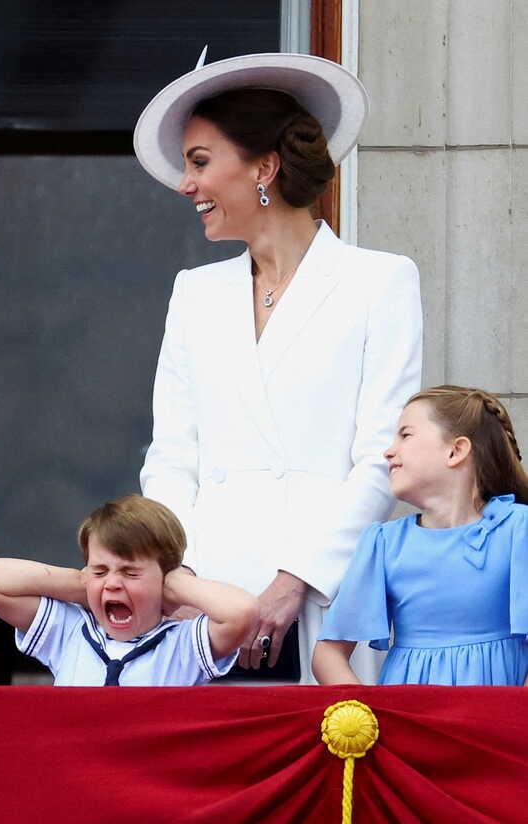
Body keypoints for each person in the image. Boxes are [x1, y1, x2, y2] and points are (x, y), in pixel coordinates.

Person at [132, 52, 423, 683]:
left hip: (324, 597)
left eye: (201, 162)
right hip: (205, 605)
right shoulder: (194, 292)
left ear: (264, 166)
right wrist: (180, 579)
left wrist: (297, 580)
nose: (187, 185)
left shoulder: (380, 282)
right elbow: (172, 456)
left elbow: (381, 455)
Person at [313, 386, 528, 686]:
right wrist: (369, 720)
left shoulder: (518, 530)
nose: (389, 451)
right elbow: (328, 654)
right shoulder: (385, 543)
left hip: (494, 723)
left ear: (455, 451)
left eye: (405, 435)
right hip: (409, 723)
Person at [0, 495, 256, 686]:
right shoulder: (69, 633)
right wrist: (82, 586)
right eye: (100, 570)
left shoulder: (181, 646)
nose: (113, 583)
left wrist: (174, 584)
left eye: (131, 573)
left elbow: (243, 612)